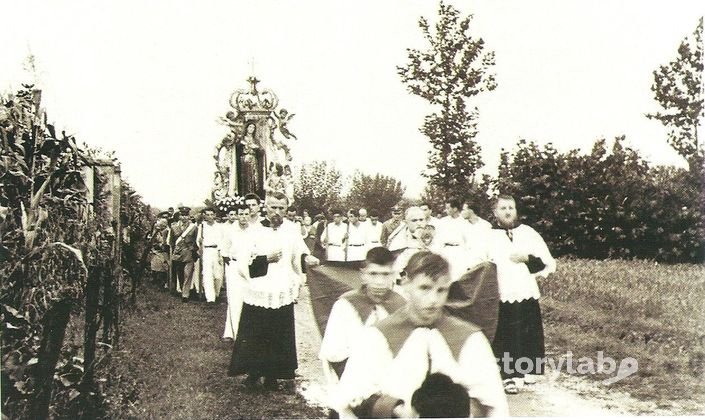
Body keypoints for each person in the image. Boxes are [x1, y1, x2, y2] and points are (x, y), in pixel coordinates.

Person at [334, 251, 509, 417]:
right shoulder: (378, 336)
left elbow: (492, 403)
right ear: (405, 283)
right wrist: (397, 410)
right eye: (424, 288)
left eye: (441, 290)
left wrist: (459, 410)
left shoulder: (470, 338)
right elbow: (353, 396)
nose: (433, 300)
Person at [228, 192, 320, 390]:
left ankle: (272, 376)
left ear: (286, 209)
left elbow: (299, 251)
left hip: (281, 288)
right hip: (260, 288)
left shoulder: (292, 229)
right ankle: (253, 374)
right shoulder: (254, 230)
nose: (277, 212)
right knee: (256, 332)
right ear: (265, 208)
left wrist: (307, 259)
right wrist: (265, 259)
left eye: (281, 208)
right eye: (273, 207)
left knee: (278, 332)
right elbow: (243, 260)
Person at [487, 194, 556, 394]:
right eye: (503, 208)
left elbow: (546, 262)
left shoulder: (528, 233)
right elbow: (478, 263)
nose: (508, 212)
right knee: (505, 334)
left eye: (511, 207)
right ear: (495, 213)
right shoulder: (488, 236)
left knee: (528, 330)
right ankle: (508, 377)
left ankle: (526, 371)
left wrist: (527, 258)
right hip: (501, 292)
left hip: (525, 290)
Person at [319, 247, 406, 388]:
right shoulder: (345, 305)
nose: (379, 282)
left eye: (385, 274)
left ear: (393, 275)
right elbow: (333, 353)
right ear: (363, 275)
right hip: (353, 386)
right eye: (373, 274)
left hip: (392, 387)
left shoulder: (401, 306)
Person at [221, 203, 254, 341]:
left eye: (246, 214)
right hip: (234, 266)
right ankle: (236, 335)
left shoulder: (254, 231)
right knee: (234, 299)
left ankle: (242, 331)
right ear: (237, 215)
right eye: (241, 214)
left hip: (250, 267)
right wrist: (230, 261)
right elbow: (223, 249)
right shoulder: (230, 230)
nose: (244, 217)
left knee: (248, 298)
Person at [168, 206, 198, 300]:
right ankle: (182, 288)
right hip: (178, 253)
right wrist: (174, 251)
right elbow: (171, 241)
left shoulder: (193, 227)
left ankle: (185, 294)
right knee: (180, 273)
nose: (184, 217)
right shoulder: (174, 227)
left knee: (187, 274)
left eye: (186, 215)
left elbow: (196, 240)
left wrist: (194, 250)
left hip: (189, 253)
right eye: (182, 215)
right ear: (179, 216)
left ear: (189, 216)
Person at [197, 207, 225, 303]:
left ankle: (217, 293)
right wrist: (200, 243)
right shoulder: (202, 226)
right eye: (207, 215)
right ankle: (210, 298)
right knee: (207, 274)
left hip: (217, 250)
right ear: (204, 216)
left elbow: (222, 240)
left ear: (215, 215)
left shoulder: (220, 226)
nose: (210, 217)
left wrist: (220, 252)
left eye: (211, 214)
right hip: (207, 251)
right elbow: (198, 240)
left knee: (218, 275)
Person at [148, 212, 170, 288]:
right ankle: (156, 280)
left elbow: (167, 242)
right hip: (156, 250)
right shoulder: (156, 230)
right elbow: (152, 240)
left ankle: (164, 282)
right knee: (155, 264)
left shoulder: (167, 231)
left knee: (164, 266)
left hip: (164, 251)